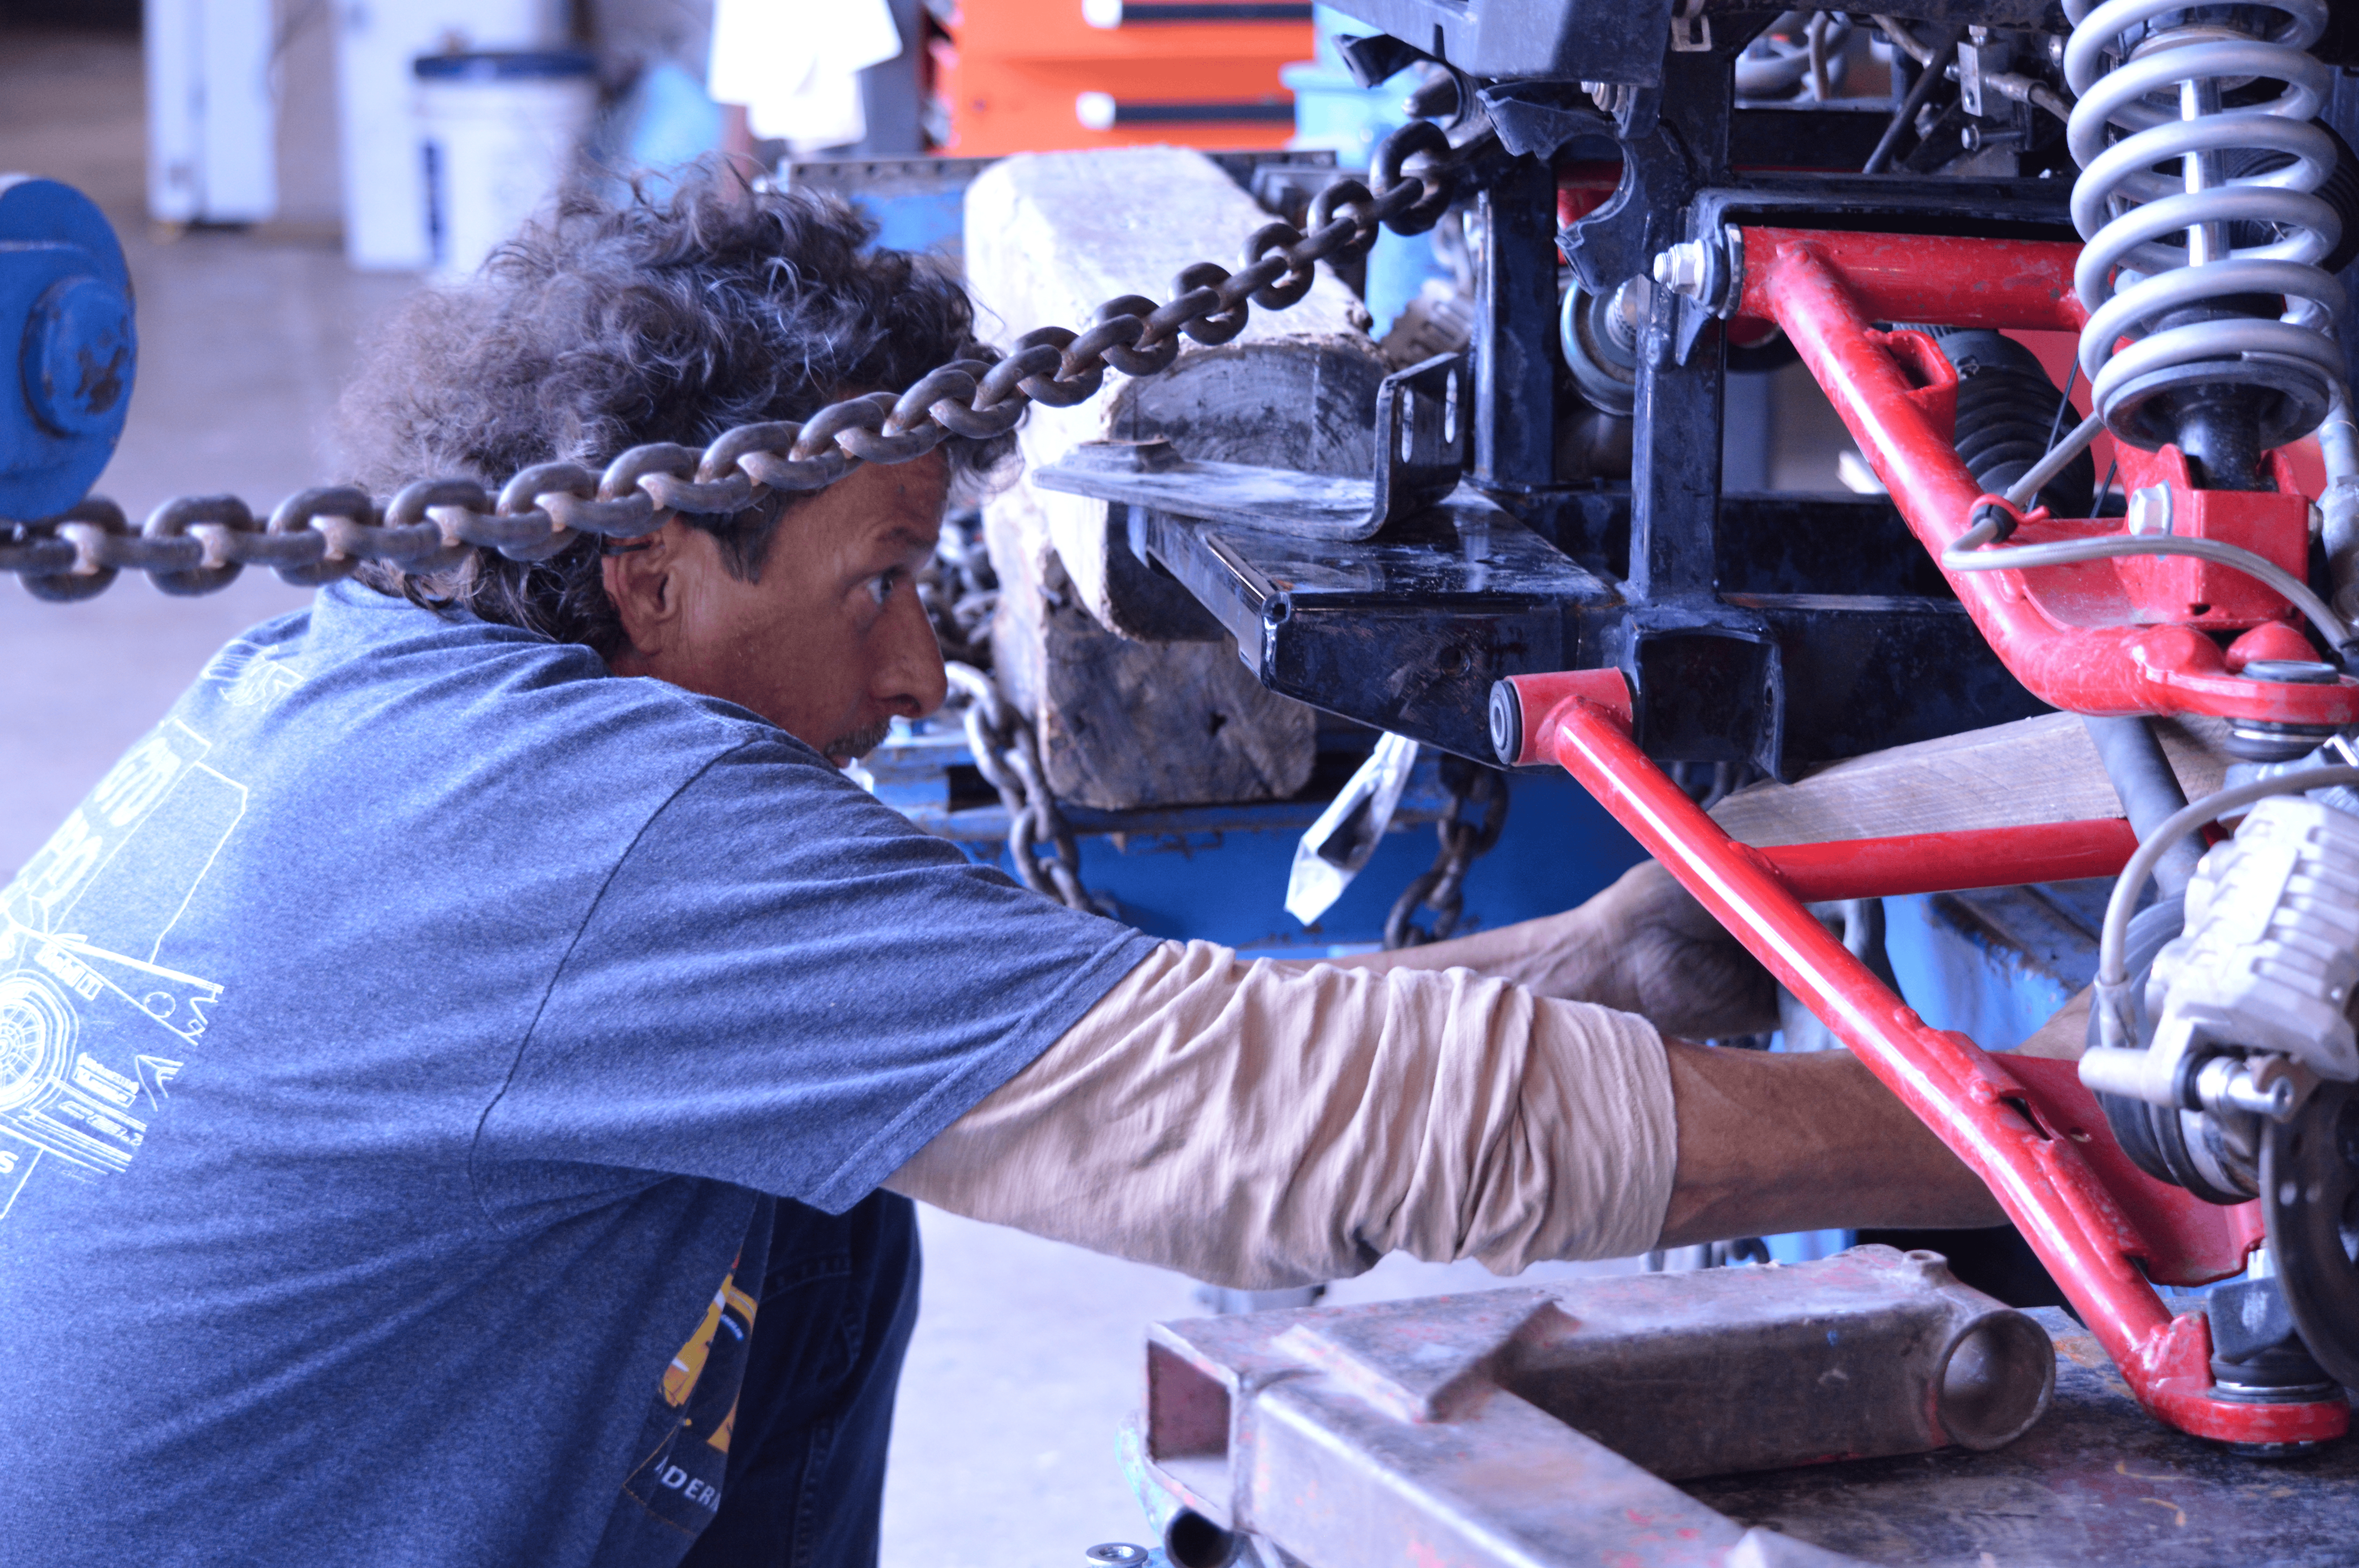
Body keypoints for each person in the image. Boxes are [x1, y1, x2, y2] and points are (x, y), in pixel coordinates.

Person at [0, 176, 2002, 1568]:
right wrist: (2081, 1136)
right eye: (878, 583)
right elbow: (1294, 1133)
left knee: (819, 1208)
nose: (911, 667)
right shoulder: (596, 833)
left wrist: (1582, 963)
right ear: (651, 573)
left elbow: (1150, 1052)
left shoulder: (354, 698)